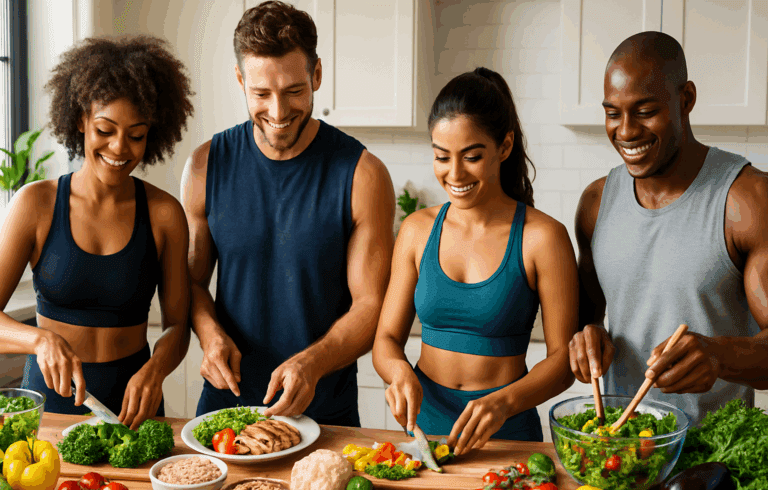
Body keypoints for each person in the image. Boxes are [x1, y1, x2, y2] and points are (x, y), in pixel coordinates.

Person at [181, 0, 395, 425]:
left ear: (316, 74)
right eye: (261, 94)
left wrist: (312, 363)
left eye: (294, 91)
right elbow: (190, 282)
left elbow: (370, 305)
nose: (278, 113)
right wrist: (209, 336)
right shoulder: (205, 166)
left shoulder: (363, 175)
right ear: (240, 79)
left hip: (325, 414)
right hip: (227, 410)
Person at [372, 67, 578, 454]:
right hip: (424, 431)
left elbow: (564, 360)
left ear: (504, 146)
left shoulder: (543, 237)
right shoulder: (417, 230)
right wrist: (397, 371)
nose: (454, 174)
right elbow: (385, 340)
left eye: (471, 156)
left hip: (507, 434)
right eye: (441, 157)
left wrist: (504, 403)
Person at [569, 31, 768, 424]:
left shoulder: (748, 200)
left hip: (714, 458)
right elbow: (586, 321)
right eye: (613, 113)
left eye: (644, 111)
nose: (625, 131)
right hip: (622, 448)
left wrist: (719, 356)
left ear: (686, 99)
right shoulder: (596, 203)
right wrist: (585, 338)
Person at [0, 35, 194, 428]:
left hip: (133, 406)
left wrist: (155, 370)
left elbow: (178, 325)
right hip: (49, 405)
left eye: (136, 135)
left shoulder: (164, 214)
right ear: (80, 120)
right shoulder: (34, 204)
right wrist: (40, 339)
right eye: (105, 129)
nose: (119, 148)